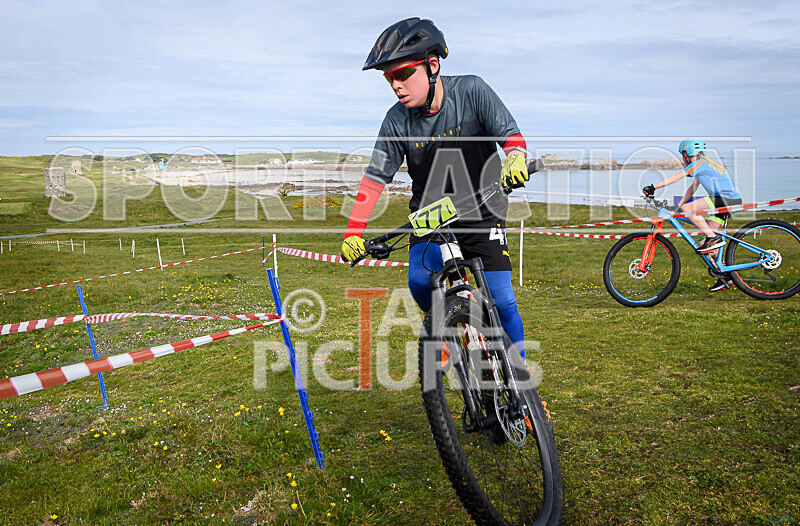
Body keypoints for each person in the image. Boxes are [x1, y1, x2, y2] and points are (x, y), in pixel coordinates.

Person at [340, 18, 530, 357]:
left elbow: (511, 137)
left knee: (502, 300)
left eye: (402, 74)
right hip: (431, 215)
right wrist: (353, 232)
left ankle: (521, 375)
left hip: (481, 209)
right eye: (389, 78)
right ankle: (444, 327)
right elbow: (375, 179)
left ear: (432, 65)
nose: (396, 85)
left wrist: (515, 158)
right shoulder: (396, 120)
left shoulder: (471, 91)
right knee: (419, 281)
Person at [642, 138, 743, 292]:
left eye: (682, 155)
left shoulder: (698, 163)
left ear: (686, 153)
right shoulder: (702, 166)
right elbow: (692, 189)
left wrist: (653, 187)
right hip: (726, 201)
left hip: (726, 199)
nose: (682, 159)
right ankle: (726, 275)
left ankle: (712, 237)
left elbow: (677, 176)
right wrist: (679, 206)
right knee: (706, 244)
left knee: (692, 213)